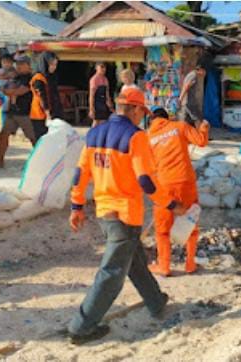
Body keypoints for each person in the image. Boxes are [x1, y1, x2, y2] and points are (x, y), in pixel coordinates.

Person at [67, 87, 186, 345]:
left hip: (104, 212)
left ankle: (155, 300)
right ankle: (81, 327)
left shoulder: (94, 133)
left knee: (135, 261)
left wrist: (76, 206)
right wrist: (170, 204)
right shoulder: (136, 137)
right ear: (132, 109)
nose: (141, 117)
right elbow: (146, 181)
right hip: (125, 214)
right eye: (141, 111)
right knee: (112, 273)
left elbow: (80, 174)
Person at [147, 106, 209, 277]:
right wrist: (203, 127)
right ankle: (190, 264)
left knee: (162, 230)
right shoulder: (179, 127)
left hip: (164, 185)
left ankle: (164, 266)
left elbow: (147, 168)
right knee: (190, 222)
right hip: (185, 182)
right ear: (167, 119)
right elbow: (201, 141)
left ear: (151, 121)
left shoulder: (147, 138)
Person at [0, 55, 36, 168]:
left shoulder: (31, 78)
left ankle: (40, 161)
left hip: (25, 113)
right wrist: (9, 91)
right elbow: (5, 89)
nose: (19, 66)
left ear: (28, 65)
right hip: (12, 111)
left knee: (33, 138)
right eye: (17, 64)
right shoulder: (15, 77)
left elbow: (19, 91)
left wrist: (9, 91)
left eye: (22, 64)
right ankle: (0, 160)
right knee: (3, 135)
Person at [30, 52, 60, 140]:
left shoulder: (51, 77)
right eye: (52, 64)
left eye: (55, 65)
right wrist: (48, 114)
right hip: (39, 114)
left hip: (50, 112)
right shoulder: (38, 78)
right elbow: (41, 97)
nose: (54, 67)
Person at [178, 61, 206, 126]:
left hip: (188, 102)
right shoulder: (193, 76)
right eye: (204, 71)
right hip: (189, 102)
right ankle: (200, 134)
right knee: (198, 119)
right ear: (201, 70)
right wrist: (180, 99)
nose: (204, 74)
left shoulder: (191, 74)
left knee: (188, 121)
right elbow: (186, 87)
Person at [88, 62, 114, 127]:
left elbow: (107, 93)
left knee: (104, 121)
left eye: (104, 67)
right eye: (101, 67)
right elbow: (92, 95)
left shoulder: (105, 79)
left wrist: (109, 104)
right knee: (96, 121)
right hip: (97, 102)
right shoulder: (94, 79)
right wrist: (91, 108)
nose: (103, 69)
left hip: (103, 102)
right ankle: (91, 135)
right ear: (97, 68)